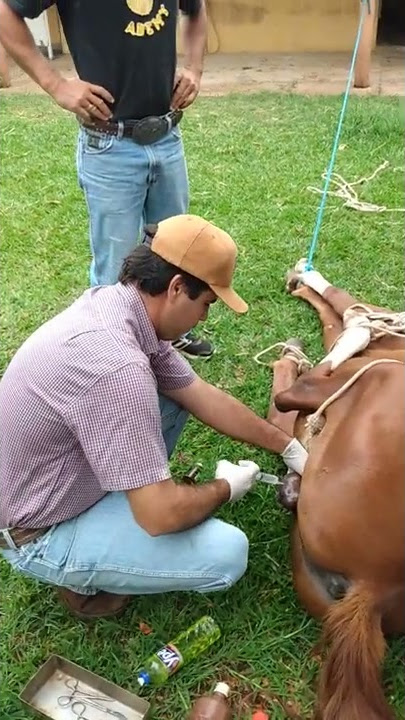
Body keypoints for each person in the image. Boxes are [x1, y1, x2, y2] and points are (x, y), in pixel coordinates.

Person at [0, 214, 308, 619]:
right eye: (206, 305)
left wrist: (286, 445)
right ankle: (79, 576)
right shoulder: (117, 369)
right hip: (34, 530)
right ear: (177, 288)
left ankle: (128, 496)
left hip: (49, 477)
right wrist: (225, 487)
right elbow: (162, 516)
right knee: (227, 555)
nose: (203, 319)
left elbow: (200, 395)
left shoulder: (119, 308)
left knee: (174, 397)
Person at [0, 0, 213, 358]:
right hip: (109, 144)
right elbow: (6, 11)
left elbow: (196, 8)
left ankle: (165, 338)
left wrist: (195, 69)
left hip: (167, 135)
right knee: (116, 266)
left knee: (173, 249)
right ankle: (112, 353)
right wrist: (55, 83)